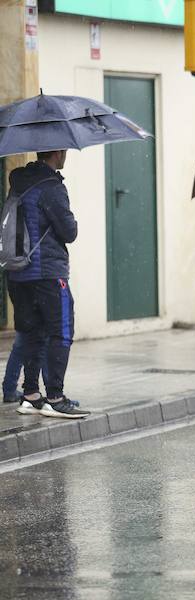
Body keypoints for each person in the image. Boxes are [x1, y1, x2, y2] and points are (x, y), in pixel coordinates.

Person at [7, 149, 88, 418]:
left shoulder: (18, 181)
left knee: (32, 332)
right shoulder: (51, 187)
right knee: (60, 331)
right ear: (58, 153)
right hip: (48, 272)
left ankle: (30, 394)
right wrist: (70, 219)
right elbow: (69, 232)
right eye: (63, 151)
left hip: (18, 272)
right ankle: (55, 396)